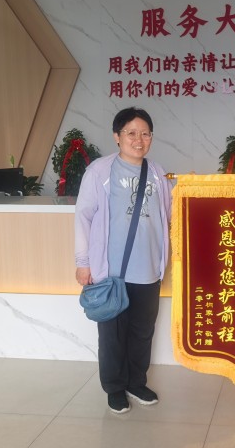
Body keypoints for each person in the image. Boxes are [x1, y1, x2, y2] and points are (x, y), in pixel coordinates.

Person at [74, 107, 173, 414]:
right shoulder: (100, 172)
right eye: (131, 133)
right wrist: (83, 261)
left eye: (145, 133)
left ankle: (136, 382)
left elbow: (171, 214)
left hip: (149, 269)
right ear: (117, 137)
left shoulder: (157, 173)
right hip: (111, 271)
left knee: (142, 331)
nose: (138, 140)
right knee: (112, 334)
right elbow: (83, 217)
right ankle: (115, 387)